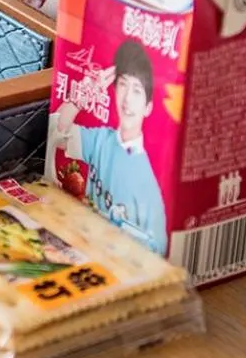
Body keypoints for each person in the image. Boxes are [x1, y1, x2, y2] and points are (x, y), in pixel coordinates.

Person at [50, 39, 168, 254]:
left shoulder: (150, 186)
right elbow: (58, 133)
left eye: (137, 91)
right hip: (77, 245)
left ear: (148, 106)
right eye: (122, 85)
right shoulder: (101, 139)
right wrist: (83, 95)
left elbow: (158, 250)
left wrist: (121, 227)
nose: (127, 100)